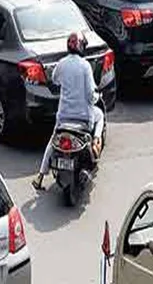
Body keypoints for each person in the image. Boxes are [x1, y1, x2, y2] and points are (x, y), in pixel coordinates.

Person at [31, 32, 104, 191]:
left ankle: (40, 176)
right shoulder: (85, 66)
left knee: (53, 140)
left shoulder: (61, 64)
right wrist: (98, 95)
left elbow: (55, 80)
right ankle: (96, 141)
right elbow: (91, 95)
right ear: (81, 46)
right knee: (100, 115)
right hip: (83, 119)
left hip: (63, 117)